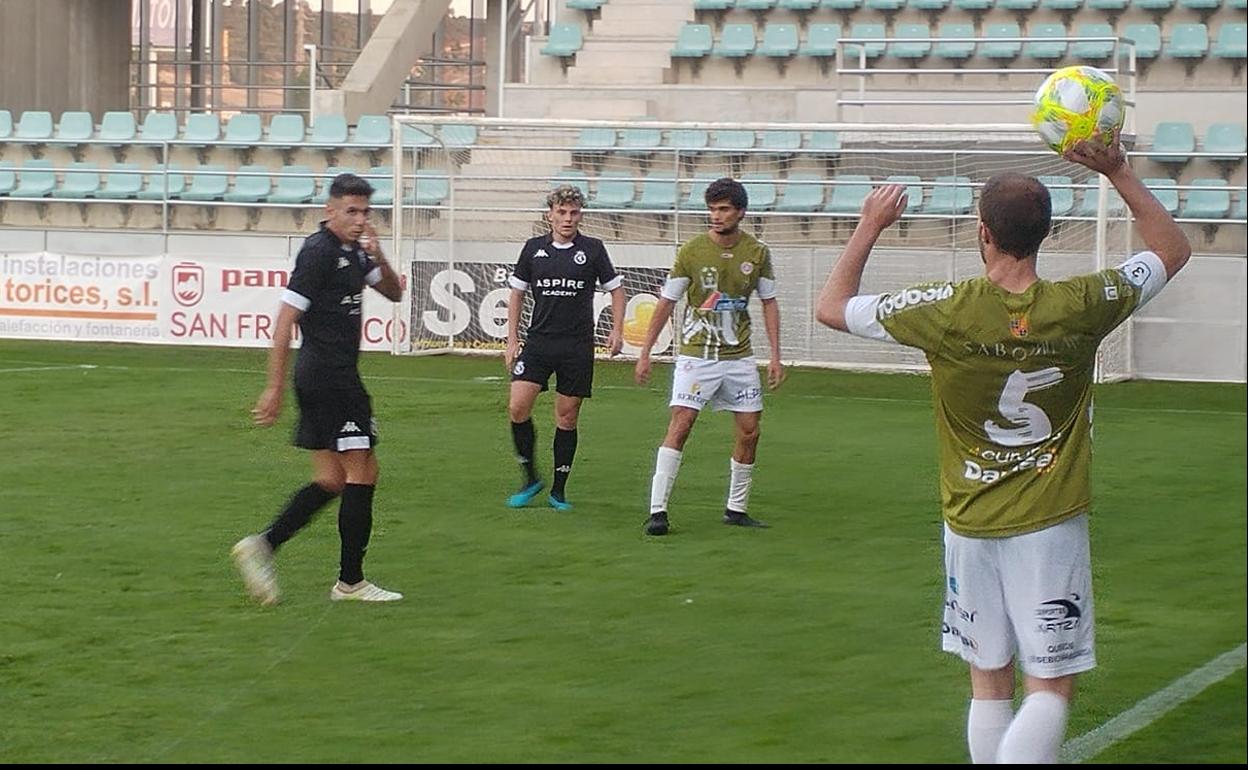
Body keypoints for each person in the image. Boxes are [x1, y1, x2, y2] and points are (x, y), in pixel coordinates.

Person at [814, 132, 1190, 763]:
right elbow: (1172, 250)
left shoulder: (945, 308)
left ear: (983, 232)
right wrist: (1119, 170)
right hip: (1050, 522)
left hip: (968, 520)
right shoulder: (1083, 303)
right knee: (1050, 684)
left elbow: (830, 307)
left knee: (988, 680)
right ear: (1048, 232)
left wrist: (870, 226)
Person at [232, 172, 405, 605]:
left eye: (365, 211)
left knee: (331, 479)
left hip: (329, 376)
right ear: (329, 211)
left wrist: (378, 251)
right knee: (363, 470)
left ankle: (263, 545)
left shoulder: (354, 251)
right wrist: (272, 390)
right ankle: (350, 582)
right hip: (330, 377)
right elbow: (284, 320)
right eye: (351, 211)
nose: (360, 219)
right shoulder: (318, 253)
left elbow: (395, 291)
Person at [634, 177, 785, 536]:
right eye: (712, 209)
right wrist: (645, 352)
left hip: (739, 357)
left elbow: (769, 302)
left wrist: (776, 356)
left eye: (723, 209)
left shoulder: (757, 253)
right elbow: (667, 302)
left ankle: (736, 508)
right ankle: (657, 511)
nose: (716, 216)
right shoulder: (691, 251)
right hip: (696, 356)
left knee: (750, 432)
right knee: (682, 424)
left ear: (740, 213)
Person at [504, 184, 625, 511]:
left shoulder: (594, 249)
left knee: (567, 417)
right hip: (538, 342)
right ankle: (530, 477)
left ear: (580, 215)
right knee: (517, 407)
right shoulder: (533, 250)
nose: (567, 219)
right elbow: (516, 294)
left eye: (573, 213)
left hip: (577, 346)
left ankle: (558, 491)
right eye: (561, 212)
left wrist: (616, 329)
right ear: (550, 215)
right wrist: (512, 339)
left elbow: (616, 290)